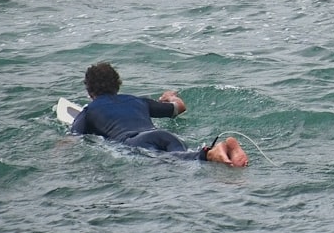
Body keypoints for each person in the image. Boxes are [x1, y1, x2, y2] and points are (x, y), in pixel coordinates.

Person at [70, 62, 248, 167]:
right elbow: (179, 107)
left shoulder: (89, 112)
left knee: (176, 162)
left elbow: (72, 140)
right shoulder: (138, 101)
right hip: (164, 136)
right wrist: (170, 97)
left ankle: (211, 153)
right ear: (118, 84)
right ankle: (222, 151)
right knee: (185, 155)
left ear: (89, 90)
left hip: (135, 142)